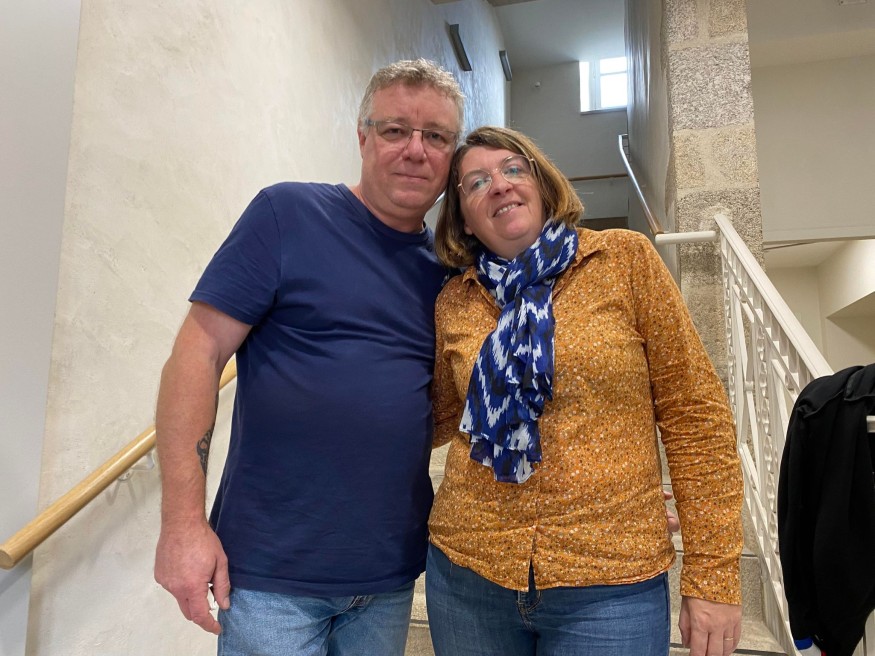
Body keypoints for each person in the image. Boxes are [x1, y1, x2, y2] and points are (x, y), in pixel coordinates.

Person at [153, 59, 464, 656]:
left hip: (388, 574)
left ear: (452, 156)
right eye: (395, 130)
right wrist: (182, 525)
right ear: (363, 137)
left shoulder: (449, 273)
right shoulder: (287, 215)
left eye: (436, 136)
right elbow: (198, 352)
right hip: (271, 577)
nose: (415, 150)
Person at [425, 126, 744, 656]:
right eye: (476, 182)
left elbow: (695, 417)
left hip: (609, 580)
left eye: (513, 168)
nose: (499, 185)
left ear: (542, 183)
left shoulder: (623, 260)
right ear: (463, 219)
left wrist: (712, 573)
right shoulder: (455, 300)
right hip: (468, 571)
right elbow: (434, 418)